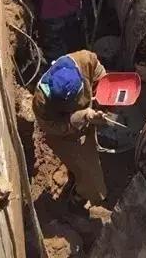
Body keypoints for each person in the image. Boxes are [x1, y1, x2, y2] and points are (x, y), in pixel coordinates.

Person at [32, 50, 107, 204]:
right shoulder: (41, 101)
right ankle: (79, 198)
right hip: (65, 138)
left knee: (83, 167)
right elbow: (54, 127)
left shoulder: (84, 60)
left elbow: (100, 73)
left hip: (88, 117)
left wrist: (102, 95)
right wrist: (82, 116)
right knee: (92, 180)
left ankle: (76, 178)